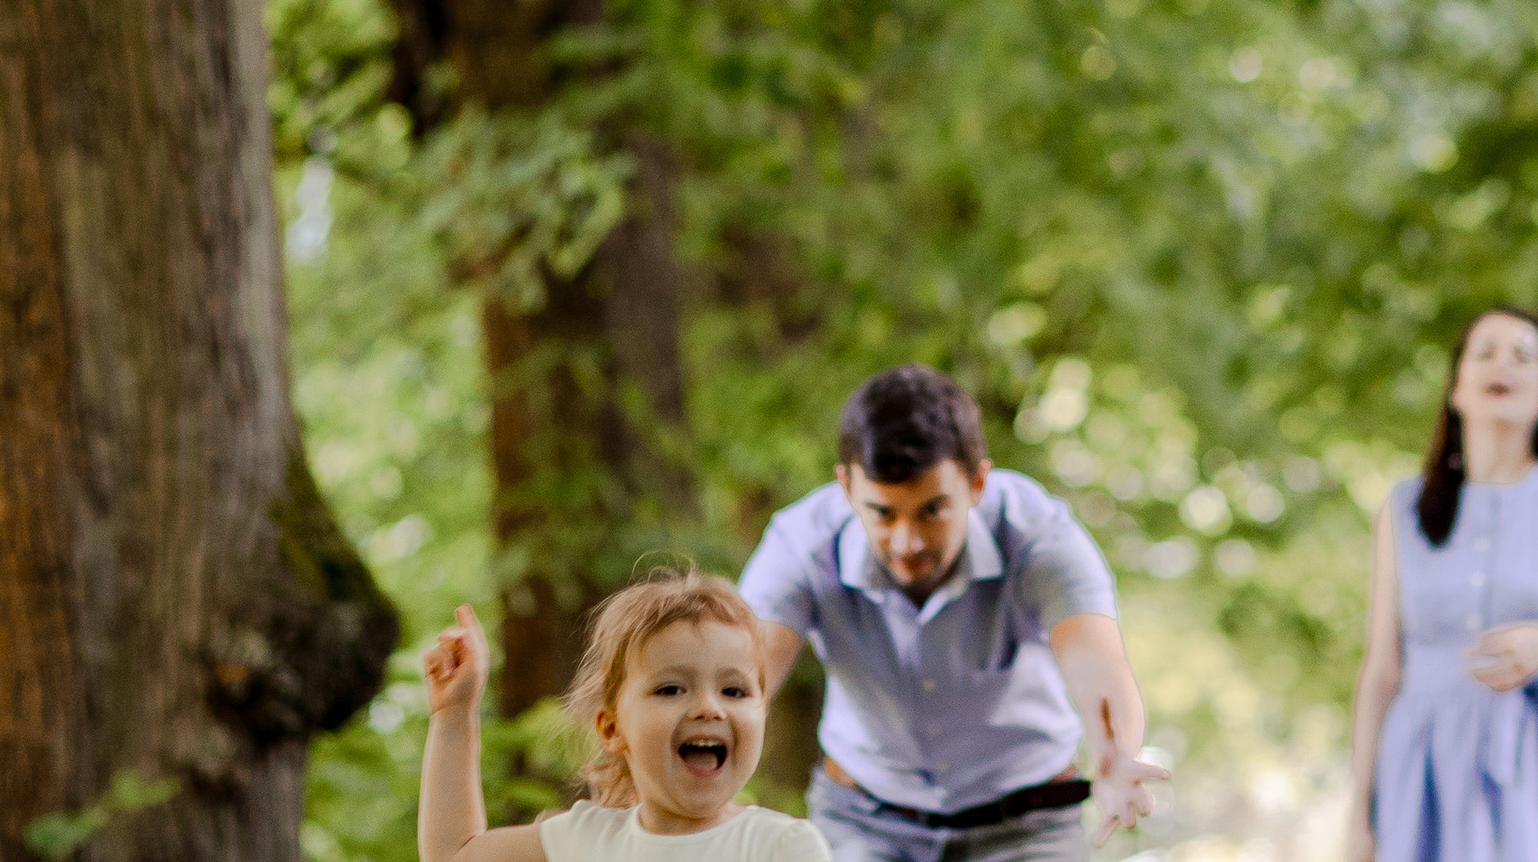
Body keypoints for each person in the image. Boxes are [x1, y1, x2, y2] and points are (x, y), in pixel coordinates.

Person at [738, 363, 1167, 862]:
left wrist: (1114, 756)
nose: (908, 541)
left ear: (977, 483)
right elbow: (743, 677)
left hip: (1027, 825)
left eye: (932, 510)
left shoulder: (1040, 536)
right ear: (846, 487)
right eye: (882, 512)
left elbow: (1098, 663)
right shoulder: (800, 544)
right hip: (863, 821)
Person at [1346, 309, 1538, 862]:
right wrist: (1358, 818)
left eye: (1522, 355)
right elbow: (1381, 670)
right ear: (1458, 389)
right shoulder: (1403, 509)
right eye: (1484, 352)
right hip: (1422, 767)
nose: (1502, 364)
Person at [418, 569, 832, 862]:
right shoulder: (586, 841)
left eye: (734, 690)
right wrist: (454, 713)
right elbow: (454, 854)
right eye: (671, 688)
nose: (710, 707)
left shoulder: (782, 848)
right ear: (612, 728)